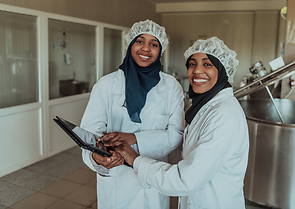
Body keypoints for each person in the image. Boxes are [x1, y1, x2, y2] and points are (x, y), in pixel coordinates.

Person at [114, 36, 250, 209]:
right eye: (192, 64)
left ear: (222, 70)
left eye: (207, 64)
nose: (196, 71)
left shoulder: (224, 115)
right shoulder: (205, 106)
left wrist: (134, 159)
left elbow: (185, 180)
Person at [74, 19, 185, 209]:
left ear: (160, 50)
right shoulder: (107, 84)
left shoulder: (171, 86)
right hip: (118, 181)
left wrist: (133, 138)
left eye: (154, 44)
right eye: (140, 41)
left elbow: (176, 135)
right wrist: (96, 158)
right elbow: (89, 133)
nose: (146, 49)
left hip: (153, 179)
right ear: (130, 45)